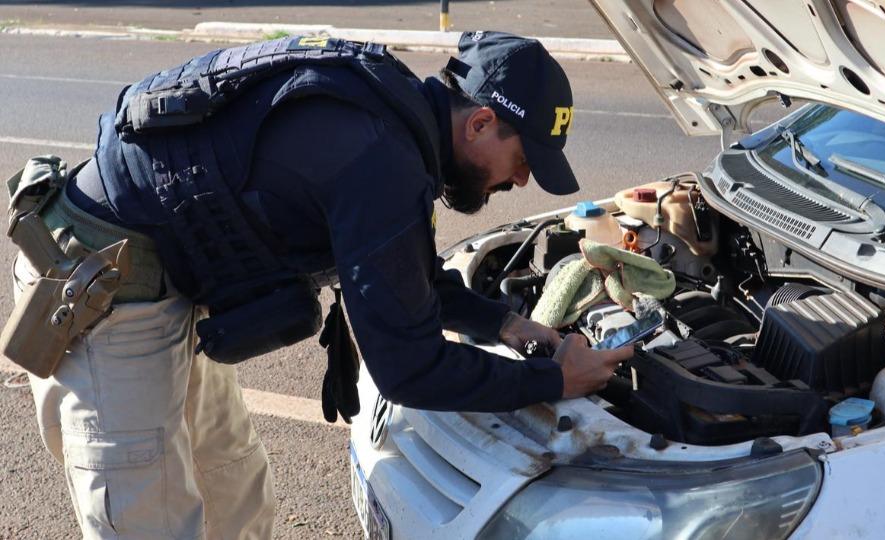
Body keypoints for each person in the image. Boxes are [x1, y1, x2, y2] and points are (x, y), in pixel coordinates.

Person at [4, 31, 633, 538]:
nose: (520, 184)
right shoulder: (379, 159)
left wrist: (508, 324)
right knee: (147, 519)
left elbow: (403, 271)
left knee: (233, 486)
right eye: (523, 162)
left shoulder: (394, 117)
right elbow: (410, 371)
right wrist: (556, 380)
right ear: (479, 124)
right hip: (103, 288)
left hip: (178, 277)